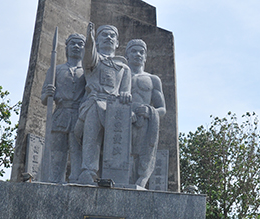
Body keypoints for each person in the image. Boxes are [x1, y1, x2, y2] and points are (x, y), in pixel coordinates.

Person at [74, 22, 132, 184]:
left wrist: (126, 94)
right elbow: (88, 57)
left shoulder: (124, 68)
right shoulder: (94, 61)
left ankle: (114, 173)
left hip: (114, 108)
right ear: (98, 41)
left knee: (116, 142)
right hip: (94, 103)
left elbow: (126, 90)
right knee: (91, 138)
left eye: (112, 35)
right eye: (104, 35)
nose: (108, 37)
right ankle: (88, 170)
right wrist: (90, 39)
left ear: (117, 42)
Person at [39, 32, 86, 183]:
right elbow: (43, 99)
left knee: (77, 152)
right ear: (66, 48)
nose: (76, 47)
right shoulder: (56, 70)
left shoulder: (87, 72)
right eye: (73, 43)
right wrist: (48, 93)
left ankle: (75, 181)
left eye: (80, 44)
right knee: (57, 154)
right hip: (60, 114)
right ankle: (54, 181)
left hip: (79, 115)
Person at [126, 38, 167, 187]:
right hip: (124, 120)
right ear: (127, 55)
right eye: (134, 51)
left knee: (141, 155)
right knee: (124, 154)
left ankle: (141, 182)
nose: (137, 54)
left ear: (145, 57)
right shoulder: (121, 76)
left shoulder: (152, 79)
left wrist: (150, 111)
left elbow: (162, 108)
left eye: (141, 52)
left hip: (145, 122)